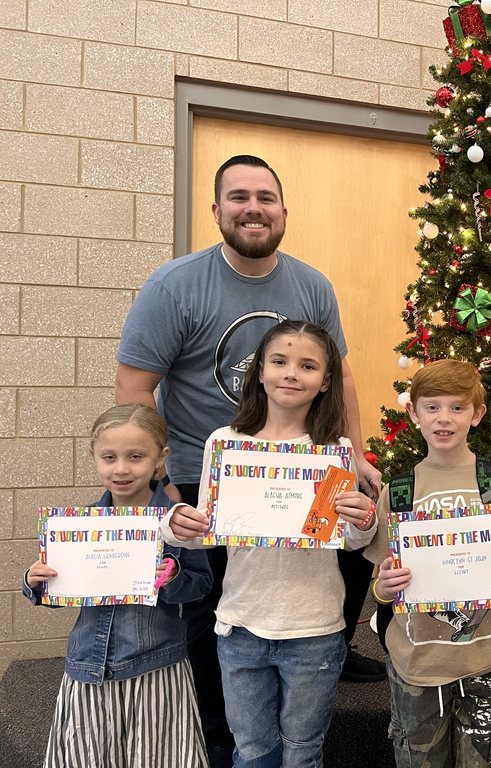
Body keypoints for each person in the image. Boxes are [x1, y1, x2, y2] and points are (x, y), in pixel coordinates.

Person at [115, 155, 383, 764]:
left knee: (336, 562)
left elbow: (341, 375)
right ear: (217, 210)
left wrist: (357, 454)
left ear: (284, 210)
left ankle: (323, 655)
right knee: (211, 614)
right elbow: (134, 386)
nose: (253, 208)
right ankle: (221, 734)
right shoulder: (175, 285)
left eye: (265, 197)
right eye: (239, 197)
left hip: (304, 465)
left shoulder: (312, 285)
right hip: (204, 472)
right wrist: (162, 483)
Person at [164, 320, 378, 768]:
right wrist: (175, 525)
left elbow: (349, 539)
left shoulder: (334, 451)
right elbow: (206, 533)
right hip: (241, 624)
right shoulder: (226, 444)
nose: (291, 373)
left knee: (303, 752)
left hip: (314, 629)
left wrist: (364, 520)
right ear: (259, 371)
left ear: (326, 381)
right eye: (279, 361)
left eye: (308, 366)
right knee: (252, 751)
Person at [367, 359, 491, 768]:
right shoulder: (399, 492)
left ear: (477, 414)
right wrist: (384, 588)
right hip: (416, 663)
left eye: (457, 407)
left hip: (489, 659)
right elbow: (380, 582)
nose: (443, 418)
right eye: (432, 407)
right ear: (413, 413)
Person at [24, 404, 212, 768]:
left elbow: (201, 586)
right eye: (109, 457)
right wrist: (36, 582)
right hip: (89, 668)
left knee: (158, 757)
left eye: (136, 457)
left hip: (156, 669)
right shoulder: (76, 526)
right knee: (88, 756)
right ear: (94, 456)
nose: (121, 468)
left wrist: (172, 576)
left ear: (160, 458)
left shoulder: (177, 523)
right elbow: (60, 590)